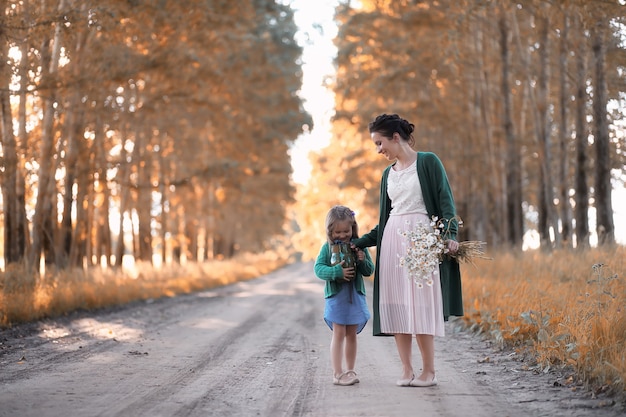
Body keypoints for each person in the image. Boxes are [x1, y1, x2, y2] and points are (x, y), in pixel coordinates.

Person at [352, 113, 463, 388]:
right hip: (392, 243)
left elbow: (445, 201)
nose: (379, 150)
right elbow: (384, 220)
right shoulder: (387, 175)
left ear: (396, 137)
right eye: (376, 145)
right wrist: (360, 242)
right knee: (396, 305)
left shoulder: (428, 162)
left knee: (423, 305)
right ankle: (406, 369)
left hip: (422, 241)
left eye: (380, 143)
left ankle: (429, 371)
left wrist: (449, 235)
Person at [314, 205, 374, 386]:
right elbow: (318, 269)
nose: (342, 235)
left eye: (346, 231)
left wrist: (362, 260)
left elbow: (369, 270)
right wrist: (336, 273)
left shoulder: (359, 246)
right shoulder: (327, 248)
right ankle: (337, 373)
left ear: (353, 228)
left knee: (352, 334)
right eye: (337, 232)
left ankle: (350, 370)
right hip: (337, 296)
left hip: (354, 295)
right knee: (339, 333)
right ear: (330, 231)